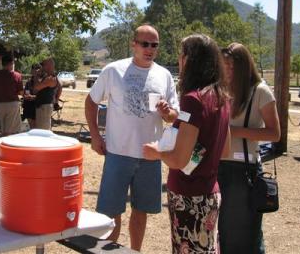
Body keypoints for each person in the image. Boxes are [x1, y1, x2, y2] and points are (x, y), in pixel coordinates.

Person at [84, 24, 179, 251]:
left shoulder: (164, 75)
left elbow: (175, 115)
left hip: (150, 156)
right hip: (118, 154)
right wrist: (95, 136)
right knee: (110, 214)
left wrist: (168, 113)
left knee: (141, 211)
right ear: (133, 44)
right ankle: (108, 251)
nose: (149, 49)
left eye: (154, 45)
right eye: (144, 44)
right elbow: (91, 101)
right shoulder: (113, 70)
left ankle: (135, 251)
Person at [143, 34, 231, 253]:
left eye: (181, 55)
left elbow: (178, 160)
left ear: (191, 60)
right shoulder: (221, 97)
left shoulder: (193, 99)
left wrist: (156, 152)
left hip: (188, 197)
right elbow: (225, 150)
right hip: (210, 194)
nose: (179, 61)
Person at [218, 42, 281, 254]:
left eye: (231, 65)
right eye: (223, 64)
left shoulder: (260, 91)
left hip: (244, 169)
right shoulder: (221, 89)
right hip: (219, 166)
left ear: (244, 66)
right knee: (223, 230)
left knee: (247, 233)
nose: (226, 70)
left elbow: (274, 133)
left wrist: (235, 131)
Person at [0, 54, 23, 136]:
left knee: (4, 128)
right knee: (10, 130)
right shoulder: (17, 75)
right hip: (12, 103)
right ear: (11, 63)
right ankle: (7, 147)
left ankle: (4, 145)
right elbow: (21, 92)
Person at [33, 57, 61, 129]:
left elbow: (36, 87)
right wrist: (56, 100)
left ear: (49, 65)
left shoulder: (50, 78)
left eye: (43, 65)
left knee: (43, 130)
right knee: (43, 128)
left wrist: (35, 75)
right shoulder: (50, 76)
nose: (42, 67)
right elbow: (60, 88)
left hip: (44, 107)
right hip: (44, 106)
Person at [22, 63, 41, 129]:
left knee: (37, 127)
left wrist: (33, 97)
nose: (34, 72)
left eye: (36, 70)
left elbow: (43, 96)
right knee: (31, 126)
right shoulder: (29, 82)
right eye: (33, 70)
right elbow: (25, 93)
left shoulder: (42, 82)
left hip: (38, 106)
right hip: (29, 106)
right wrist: (26, 96)